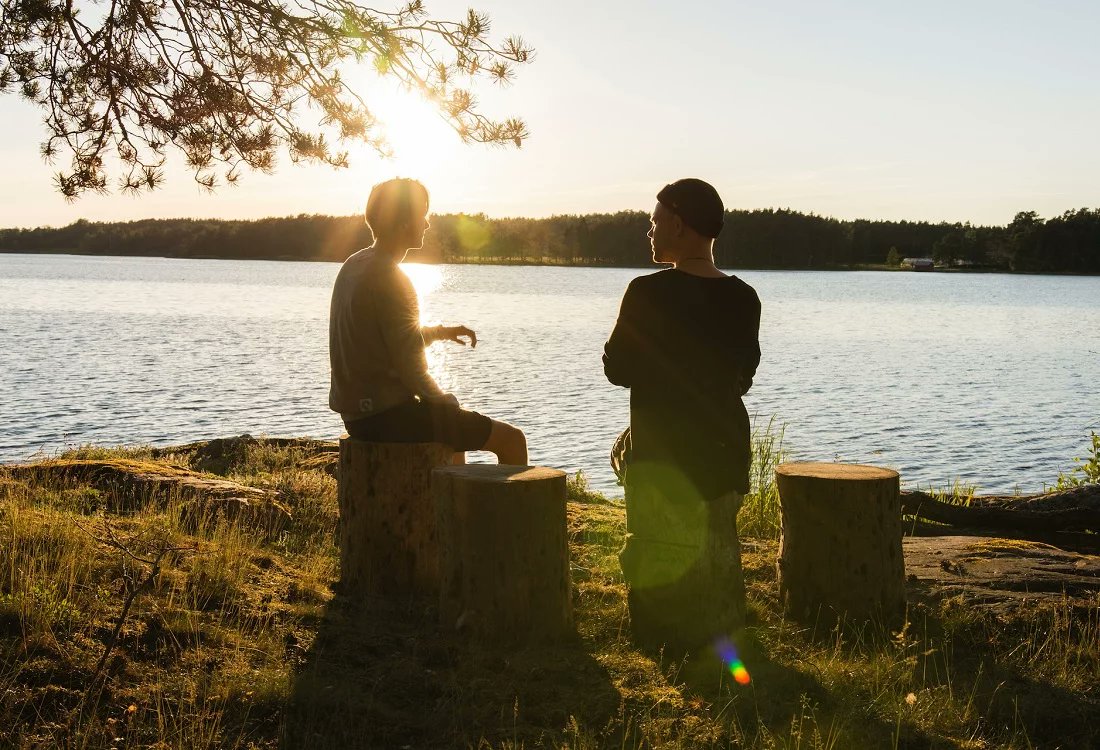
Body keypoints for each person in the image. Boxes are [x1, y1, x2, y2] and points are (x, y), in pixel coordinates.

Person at [603, 178, 761, 651]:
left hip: (663, 459)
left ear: (677, 224)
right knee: (718, 548)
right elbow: (741, 378)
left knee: (658, 550)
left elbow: (617, 368)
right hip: (724, 454)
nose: (649, 231)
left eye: (654, 222)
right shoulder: (745, 297)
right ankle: (722, 632)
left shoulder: (646, 293)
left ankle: (664, 642)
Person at [329, 178, 527, 464]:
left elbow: (390, 339)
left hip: (357, 417)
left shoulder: (355, 264)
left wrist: (440, 333)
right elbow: (411, 367)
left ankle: (454, 493)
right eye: (422, 215)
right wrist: (444, 401)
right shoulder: (391, 277)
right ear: (403, 223)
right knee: (511, 439)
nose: (427, 223)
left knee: (452, 434)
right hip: (387, 417)